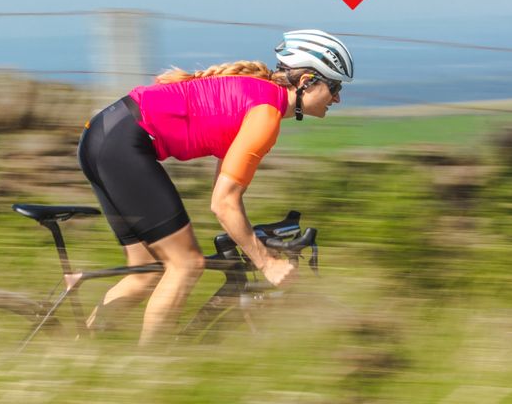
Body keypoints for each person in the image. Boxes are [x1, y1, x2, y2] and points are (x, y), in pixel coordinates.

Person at [77, 29, 353, 344]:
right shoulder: (265, 114)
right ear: (306, 82)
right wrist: (267, 263)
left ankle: (79, 353)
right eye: (335, 87)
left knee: (146, 272)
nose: (338, 98)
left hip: (104, 136)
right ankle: (149, 370)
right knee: (186, 264)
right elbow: (223, 204)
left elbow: (226, 195)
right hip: (122, 144)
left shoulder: (258, 96)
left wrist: (254, 240)